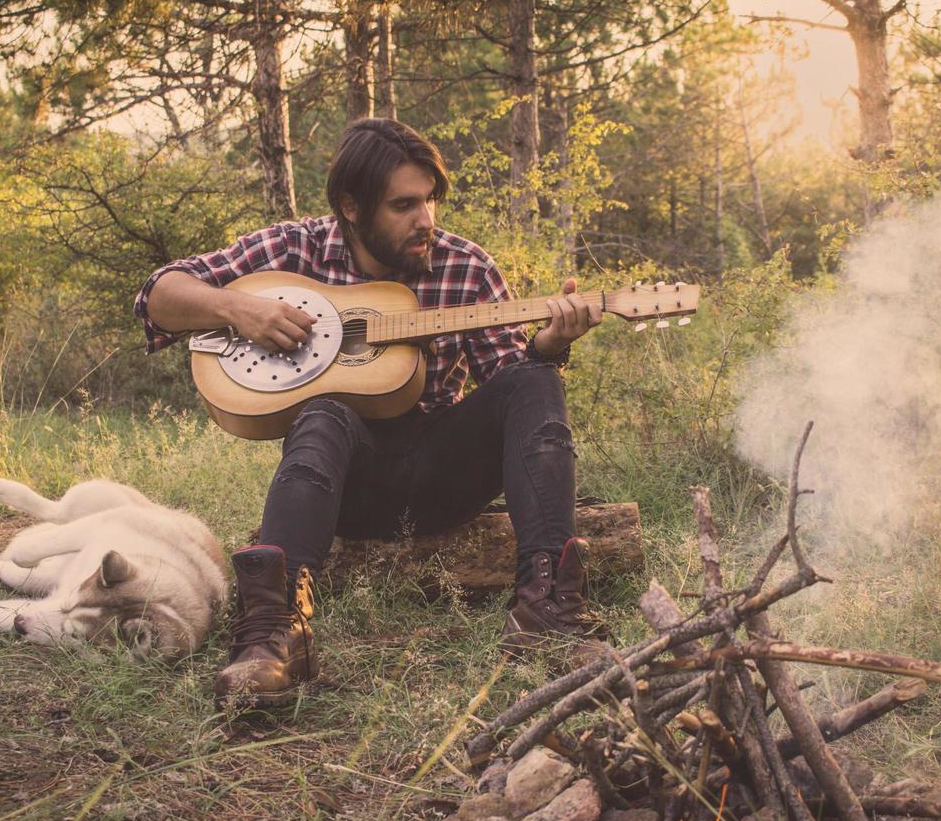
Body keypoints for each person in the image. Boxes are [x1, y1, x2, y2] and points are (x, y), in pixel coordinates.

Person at [135, 118, 605, 709]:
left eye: (430, 201)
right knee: (325, 412)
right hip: (340, 484)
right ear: (352, 208)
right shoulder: (294, 250)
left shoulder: (465, 266)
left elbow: (510, 385)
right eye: (404, 205)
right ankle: (273, 638)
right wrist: (237, 308)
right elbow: (157, 295)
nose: (425, 220)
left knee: (534, 379)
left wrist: (548, 348)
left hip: (443, 478)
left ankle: (548, 612)